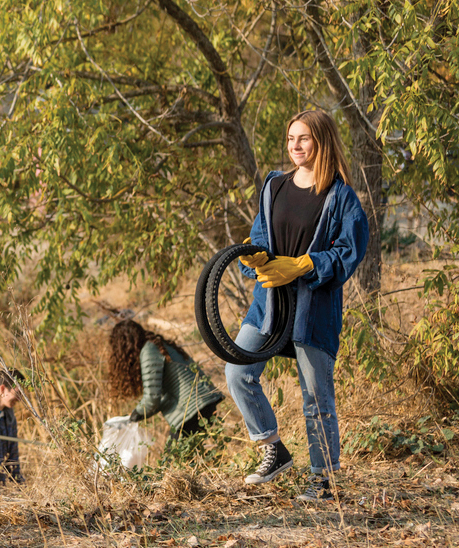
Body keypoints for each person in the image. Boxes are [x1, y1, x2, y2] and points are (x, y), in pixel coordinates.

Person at [228, 109, 368, 501]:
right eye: (291, 139)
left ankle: (322, 480)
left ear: (321, 141)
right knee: (237, 372)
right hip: (269, 305)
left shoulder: (340, 196)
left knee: (315, 397)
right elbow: (260, 233)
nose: (295, 146)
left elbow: (349, 251)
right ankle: (274, 449)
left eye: (303, 138)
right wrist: (254, 257)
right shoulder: (275, 185)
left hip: (313, 311)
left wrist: (307, 264)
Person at [105, 319, 224, 456]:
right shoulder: (156, 345)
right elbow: (164, 398)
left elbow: (152, 398)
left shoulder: (149, 351)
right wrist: (137, 415)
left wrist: (135, 415)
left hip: (193, 409)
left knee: (174, 461)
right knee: (183, 458)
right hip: (201, 404)